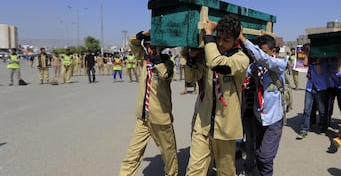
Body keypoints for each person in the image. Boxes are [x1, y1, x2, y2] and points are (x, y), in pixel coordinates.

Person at [185, 14, 249, 176]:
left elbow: (216, 64)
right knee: (194, 170)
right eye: (218, 38)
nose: (220, 43)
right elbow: (190, 78)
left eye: (225, 40)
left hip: (226, 128)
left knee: (226, 172)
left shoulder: (240, 59)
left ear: (235, 40)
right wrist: (191, 60)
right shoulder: (210, 54)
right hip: (203, 123)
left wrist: (208, 36)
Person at [119, 30, 178, 176]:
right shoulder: (144, 60)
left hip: (161, 119)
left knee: (169, 155)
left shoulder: (167, 63)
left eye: (153, 47)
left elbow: (164, 75)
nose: (150, 50)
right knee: (132, 154)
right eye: (147, 46)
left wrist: (157, 57)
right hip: (143, 118)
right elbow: (133, 42)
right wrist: (142, 34)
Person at [238, 32, 286, 176]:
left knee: (265, 158)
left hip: (273, 119)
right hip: (258, 117)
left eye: (264, 52)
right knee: (259, 154)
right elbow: (240, 71)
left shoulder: (278, 65)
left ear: (273, 51)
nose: (260, 56)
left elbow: (263, 58)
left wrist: (242, 38)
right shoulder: (255, 68)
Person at [296, 43, 329, 139]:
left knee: (322, 110)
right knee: (307, 110)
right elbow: (305, 63)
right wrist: (307, 55)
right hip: (310, 87)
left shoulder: (321, 60)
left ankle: (323, 127)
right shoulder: (309, 59)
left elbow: (319, 72)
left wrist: (317, 60)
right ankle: (304, 129)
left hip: (320, 87)